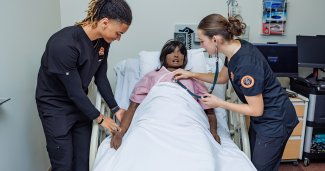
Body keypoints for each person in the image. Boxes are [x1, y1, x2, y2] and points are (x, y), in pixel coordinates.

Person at [173, 14, 299, 171]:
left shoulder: (246, 64)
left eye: (202, 41)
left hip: (275, 119)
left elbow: (256, 109)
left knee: (260, 168)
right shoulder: (234, 50)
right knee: (253, 164)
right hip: (263, 119)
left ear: (215, 39)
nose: (202, 46)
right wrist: (192, 74)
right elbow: (222, 77)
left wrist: (219, 103)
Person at [35, 0, 132, 170]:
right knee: (63, 162)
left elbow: (100, 77)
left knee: (83, 161)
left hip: (80, 106)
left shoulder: (103, 43)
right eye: (118, 33)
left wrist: (116, 109)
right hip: (55, 107)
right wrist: (101, 119)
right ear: (104, 22)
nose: (119, 38)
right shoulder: (63, 44)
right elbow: (73, 92)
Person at [110, 40, 220, 150]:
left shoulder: (193, 79)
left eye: (180, 52)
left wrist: (213, 132)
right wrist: (120, 133)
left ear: (184, 57)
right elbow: (133, 108)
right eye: (171, 52)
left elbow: (210, 112)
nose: (176, 55)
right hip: (154, 120)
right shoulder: (152, 76)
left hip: (187, 121)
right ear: (164, 56)